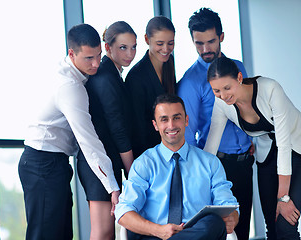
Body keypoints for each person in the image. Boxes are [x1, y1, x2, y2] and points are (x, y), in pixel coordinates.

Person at [18, 24, 120, 240]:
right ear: (72, 53)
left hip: (53, 163)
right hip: (42, 164)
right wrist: (112, 186)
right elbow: (88, 142)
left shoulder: (72, 74)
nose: (95, 64)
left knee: (62, 235)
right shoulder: (70, 87)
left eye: (99, 56)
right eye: (88, 58)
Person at [115, 93, 239, 240]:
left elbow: (228, 205)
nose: (171, 125)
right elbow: (123, 212)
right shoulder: (144, 163)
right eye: (164, 119)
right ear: (155, 125)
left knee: (214, 223)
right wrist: (159, 230)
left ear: (186, 120)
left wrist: (233, 218)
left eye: (177, 117)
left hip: (197, 235)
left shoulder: (210, 163)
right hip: (155, 235)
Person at [176, 8, 253, 239]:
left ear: (221, 36)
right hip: (216, 165)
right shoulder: (190, 82)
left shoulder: (239, 67)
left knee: (243, 230)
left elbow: (249, 106)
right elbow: (188, 136)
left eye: (210, 41)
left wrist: (252, 139)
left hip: (245, 163)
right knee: (221, 233)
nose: (205, 49)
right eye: (198, 43)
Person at [204, 57, 301, 240]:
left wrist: (284, 198)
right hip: (267, 155)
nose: (223, 96)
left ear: (239, 78)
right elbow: (211, 147)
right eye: (216, 90)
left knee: (285, 224)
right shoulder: (221, 105)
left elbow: (284, 144)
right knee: (271, 227)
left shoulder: (270, 89)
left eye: (227, 88)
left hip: (296, 149)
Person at [77, 21, 136, 240]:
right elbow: (117, 128)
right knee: (103, 233)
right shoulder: (105, 76)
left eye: (133, 46)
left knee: (108, 233)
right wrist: (132, 171)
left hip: (107, 161)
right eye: (122, 47)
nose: (130, 53)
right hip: (98, 163)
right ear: (108, 47)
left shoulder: (112, 73)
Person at [125, 16, 176, 159]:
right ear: (147, 40)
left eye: (170, 43)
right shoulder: (136, 77)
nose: (166, 49)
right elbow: (137, 127)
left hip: (169, 147)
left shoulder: (169, 62)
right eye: (160, 43)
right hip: (148, 153)